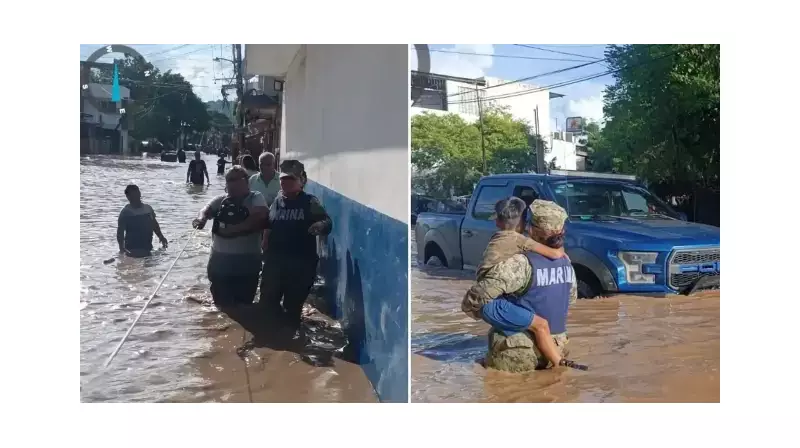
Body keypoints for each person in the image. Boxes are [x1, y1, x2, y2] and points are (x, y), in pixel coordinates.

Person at [468, 199, 578, 372]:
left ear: (531, 229)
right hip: (557, 347)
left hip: (519, 353)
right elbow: (570, 299)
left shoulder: (520, 262)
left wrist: (476, 309)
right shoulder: (567, 263)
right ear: (562, 231)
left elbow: (479, 295)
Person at [260, 159, 332, 334]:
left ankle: (290, 340)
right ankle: (272, 343)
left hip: (301, 263)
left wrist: (319, 226)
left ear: (302, 181)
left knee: (292, 307)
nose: (285, 183)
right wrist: (264, 242)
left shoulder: (310, 202)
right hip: (275, 262)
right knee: (268, 303)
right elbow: (269, 223)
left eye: (291, 179)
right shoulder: (277, 200)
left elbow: (327, 222)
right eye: (283, 179)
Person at [192, 166, 268, 307]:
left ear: (245, 181)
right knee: (221, 306)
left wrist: (233, 230)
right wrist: (201, 219)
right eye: (228, 180)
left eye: (234, 179)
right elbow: (205, 210)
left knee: (244, 306)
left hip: (247, 262)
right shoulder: (221, 200)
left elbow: (261, 215)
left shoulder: (255, 197)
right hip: (220, 261)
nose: (230, 183)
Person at [117, 184, 168, 258]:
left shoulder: (148, 209)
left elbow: (154, 225)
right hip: (132, 249)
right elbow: (120, 232)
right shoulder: (125, 212)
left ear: (139, 194)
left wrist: (161, 237)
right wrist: (121, 248)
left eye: (137, 193)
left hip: (147, 248)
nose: (135, 196)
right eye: (132, 195)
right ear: (128, 197)